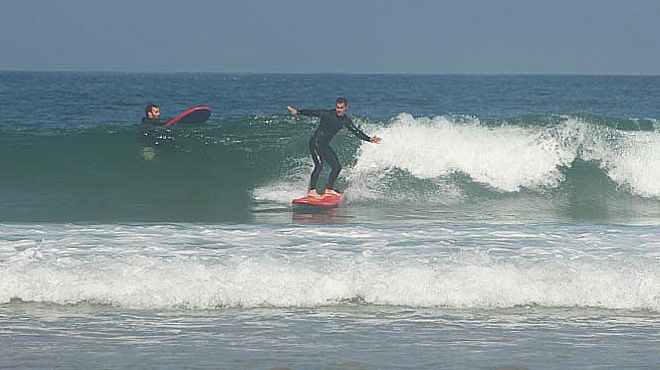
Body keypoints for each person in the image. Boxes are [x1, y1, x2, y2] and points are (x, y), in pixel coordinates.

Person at [287, 97, 381, 198]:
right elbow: (313, 112)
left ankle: (329, 189)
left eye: (341, 108)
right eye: (337, 107)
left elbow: (356, 131)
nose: (339, 110)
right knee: (319, 165)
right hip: (315, 143)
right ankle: (312, 191)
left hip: (324, 145)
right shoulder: (328, 114)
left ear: (346, 108)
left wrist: (369, 139)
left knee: (337, 167)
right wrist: (298, 112)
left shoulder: (345, 120)